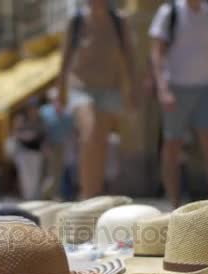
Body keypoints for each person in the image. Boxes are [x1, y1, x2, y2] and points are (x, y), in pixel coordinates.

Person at [149, 0, 208, 208]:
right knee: (172, 145)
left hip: (207, 86)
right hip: (176, 86)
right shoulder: (170, 12)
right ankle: (174, 202)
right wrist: (163, 89)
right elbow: (157, 52)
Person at [57, 0, 137, 199]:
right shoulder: (76, 21)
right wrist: (60, 92)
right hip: (81, 88)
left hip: (110, 89)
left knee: (101, 142)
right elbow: (65, 59)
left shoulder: (119, 21)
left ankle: (95, 194)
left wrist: (133, 90)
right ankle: (85, 194)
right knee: (89, 132)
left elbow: (130, 57)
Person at [40, 89, 76, 200]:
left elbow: (71, 130)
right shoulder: (45, 111)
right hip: (48, 146)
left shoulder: (67, 113)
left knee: (57, 173)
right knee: (49, 173)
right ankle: (45, 195)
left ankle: (51, 195)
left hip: (60, 146)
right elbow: (42, 129)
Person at [10, 99, 46, 201]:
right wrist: (26, 136)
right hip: (23, 151)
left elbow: (43, 135)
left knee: (35, 176)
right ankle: (27, 198)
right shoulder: (20, 119)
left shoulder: (40, 120)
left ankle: (34, 199)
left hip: (36, 151)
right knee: (25, 177)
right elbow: (15, 134)